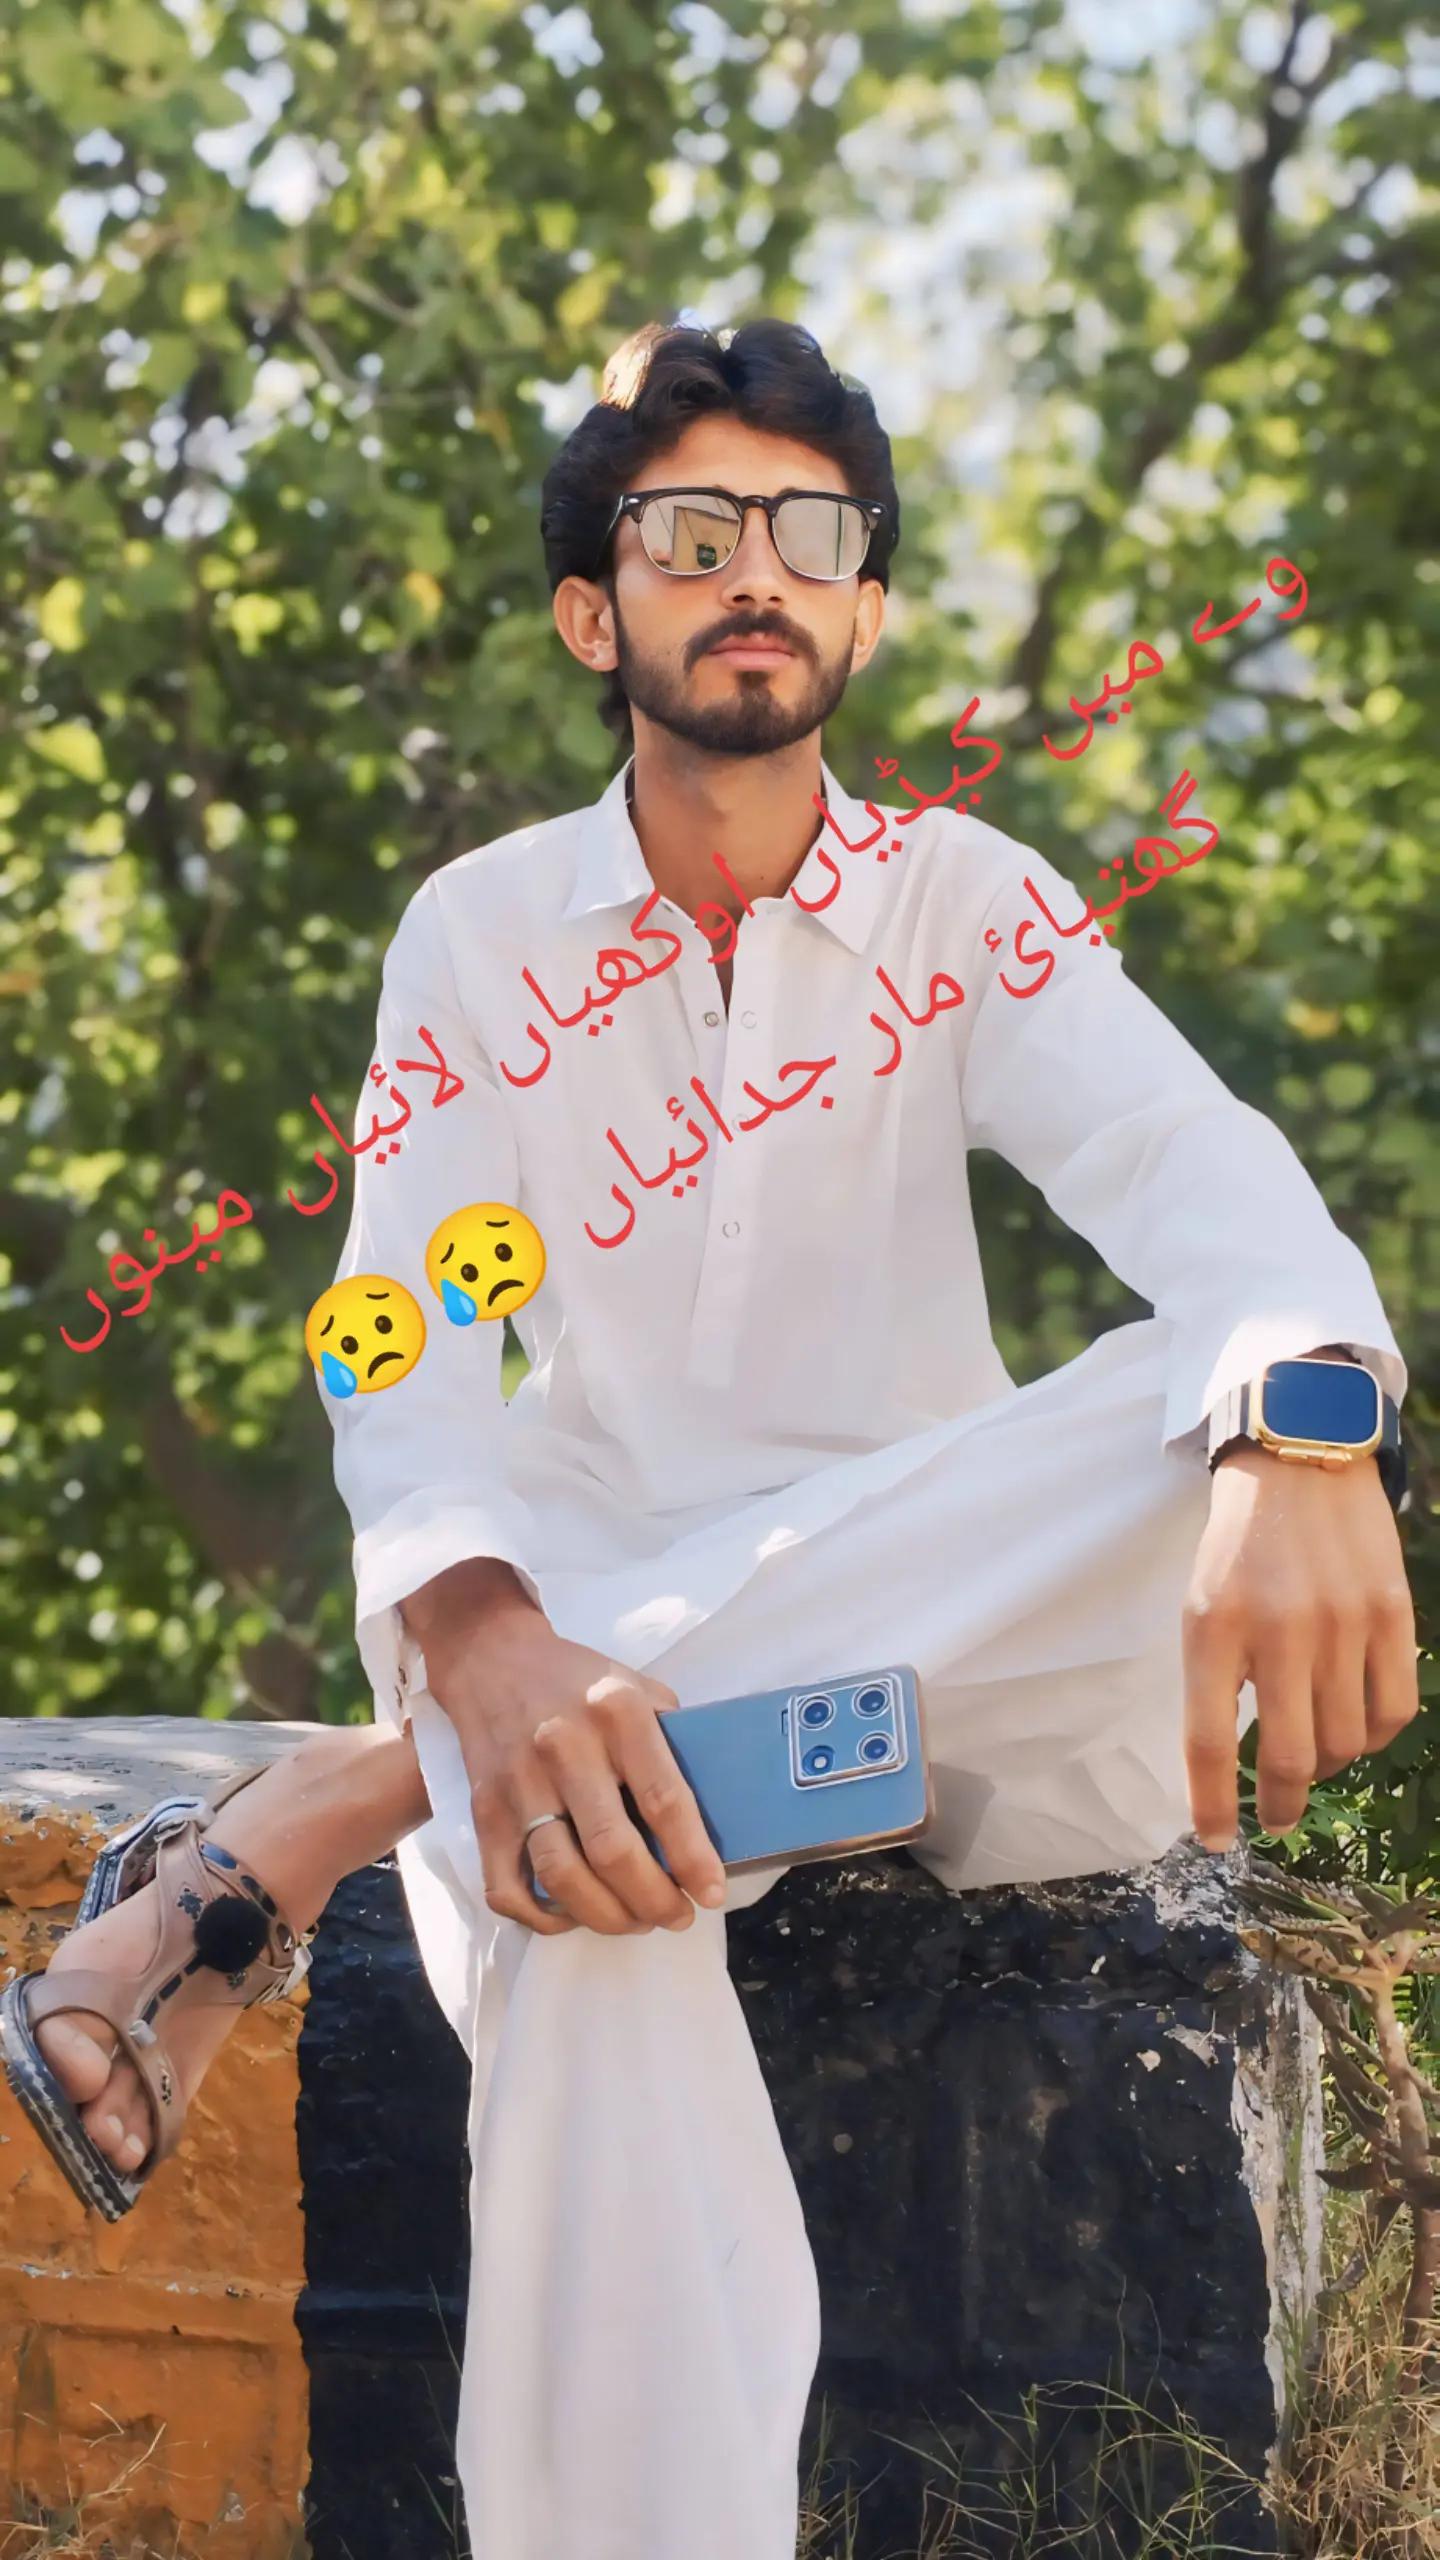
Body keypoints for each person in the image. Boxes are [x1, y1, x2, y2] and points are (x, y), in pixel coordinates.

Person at [12, 318, 1417, 2560]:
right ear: (598, 614)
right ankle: (483, 1764)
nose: (755, 570)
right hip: (572, 1656)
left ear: (868, 609)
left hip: (952, 1661)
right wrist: (486, 1642)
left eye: (809, 533)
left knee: (1204, 1411)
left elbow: (1196, 1176)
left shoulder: (971, 905)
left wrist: (1310, 1428)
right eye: (689, 532)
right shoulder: (483, 939)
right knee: (588, 1891)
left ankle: (340, 1803)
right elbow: (402, 1328)